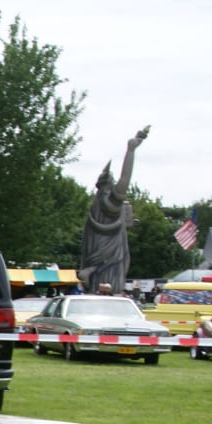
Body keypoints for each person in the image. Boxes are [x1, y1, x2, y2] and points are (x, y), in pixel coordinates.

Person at [79, 126, 149, 296]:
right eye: (112, 180)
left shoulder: (97, 203)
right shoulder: (108, 202)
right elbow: (125, 180)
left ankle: (90, 271)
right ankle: (96, 279)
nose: (115, 182)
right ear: (107, 183)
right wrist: (131, 151)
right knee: (110, 282)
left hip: (97, 254)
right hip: (110, 259)